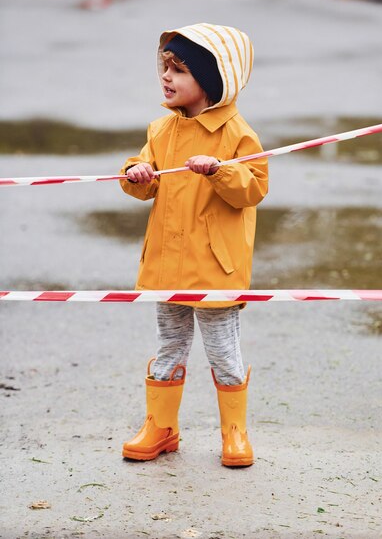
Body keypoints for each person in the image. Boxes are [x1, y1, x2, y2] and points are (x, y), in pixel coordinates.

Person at [119, 23, 268, 467]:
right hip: (166, 264)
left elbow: (253, 189)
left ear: (212, 80)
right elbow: (142, 181)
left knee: (223, 350)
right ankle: (161, 428)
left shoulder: (237, 134)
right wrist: (136, 173)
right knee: (170, 344)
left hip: (214, 268)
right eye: (164, 67)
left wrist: (219, 170)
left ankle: (235, 433)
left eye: (179, 69)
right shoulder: (160, 130)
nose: (166, 77)